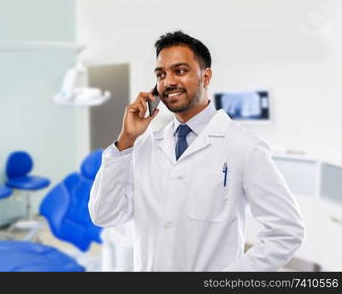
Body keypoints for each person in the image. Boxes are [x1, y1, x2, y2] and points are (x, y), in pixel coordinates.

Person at [88, 30, 305, 271]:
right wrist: (126, 139)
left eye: (180, 71)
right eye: (161, 74)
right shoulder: (144, 146)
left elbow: (286, 232)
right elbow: (104, 215)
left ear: (206, 76)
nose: (168, 82)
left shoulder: (244, 147)